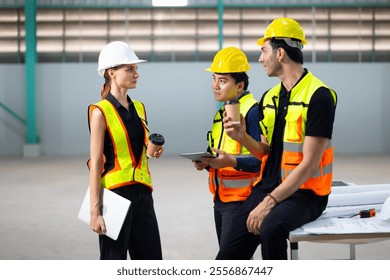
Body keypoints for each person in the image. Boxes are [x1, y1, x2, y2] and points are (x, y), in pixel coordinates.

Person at [216, 18, 337, 260]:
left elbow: (310, 163)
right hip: (267, 186)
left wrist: (270, 202)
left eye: (264, 51)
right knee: (227, 257)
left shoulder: (320, 96)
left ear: (280, 53)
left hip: (306, 194)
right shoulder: (269, 97)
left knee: (271, 228)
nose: (260, 59)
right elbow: (264, 151)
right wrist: (243, 137)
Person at [87, 41, 163, 260]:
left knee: (151, 263)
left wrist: (153, 150)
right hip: (114, 196)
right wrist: (95, 211)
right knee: (114, 262)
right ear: (112, 73)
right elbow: (95, 164)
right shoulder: (100, 112)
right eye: (130, 69)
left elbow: (138, 151)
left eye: (136, 69)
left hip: (143, 195)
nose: (136, 74)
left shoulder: (139, 108)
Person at [193, 47, 262, 248]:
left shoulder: (252, 111)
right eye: (213, 79)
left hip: (243, 201)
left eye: (222, 80)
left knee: (230, 262)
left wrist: (231, 161)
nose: (215, 86)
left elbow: (262, 160)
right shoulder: (221, 114)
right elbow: (220, 155)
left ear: (239, 86)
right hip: (221, 199)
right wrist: (206, 162)